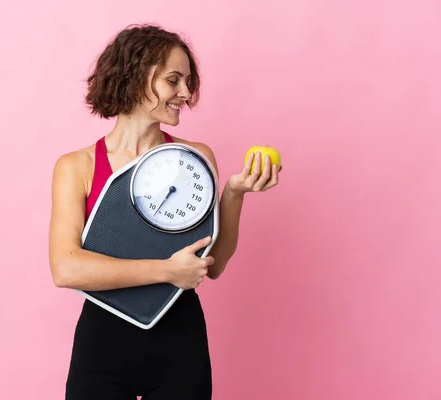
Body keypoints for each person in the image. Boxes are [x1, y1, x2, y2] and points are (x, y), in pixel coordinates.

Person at [49, 24, 281, 400]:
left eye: (188, 82)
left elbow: (214, 264)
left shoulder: (195, 159)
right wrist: (167, 271)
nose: (186, 94)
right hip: (103, 342)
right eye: (174, 80)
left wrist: (234, 194)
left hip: (179, 340)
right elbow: (67, 268)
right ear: (136, 77)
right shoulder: (77, 166)